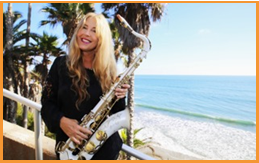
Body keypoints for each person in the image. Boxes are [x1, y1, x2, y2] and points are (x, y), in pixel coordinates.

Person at [41, 12, 130, 160]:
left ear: (101, 39)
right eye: (84, 27)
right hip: (70, 152)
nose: (86, 33)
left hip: (105, 153)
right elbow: (46, 104)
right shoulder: (60, 65)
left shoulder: (109, 73)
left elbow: (116, 113)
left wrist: (120, 96)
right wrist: (62, 121)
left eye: (94, 30)